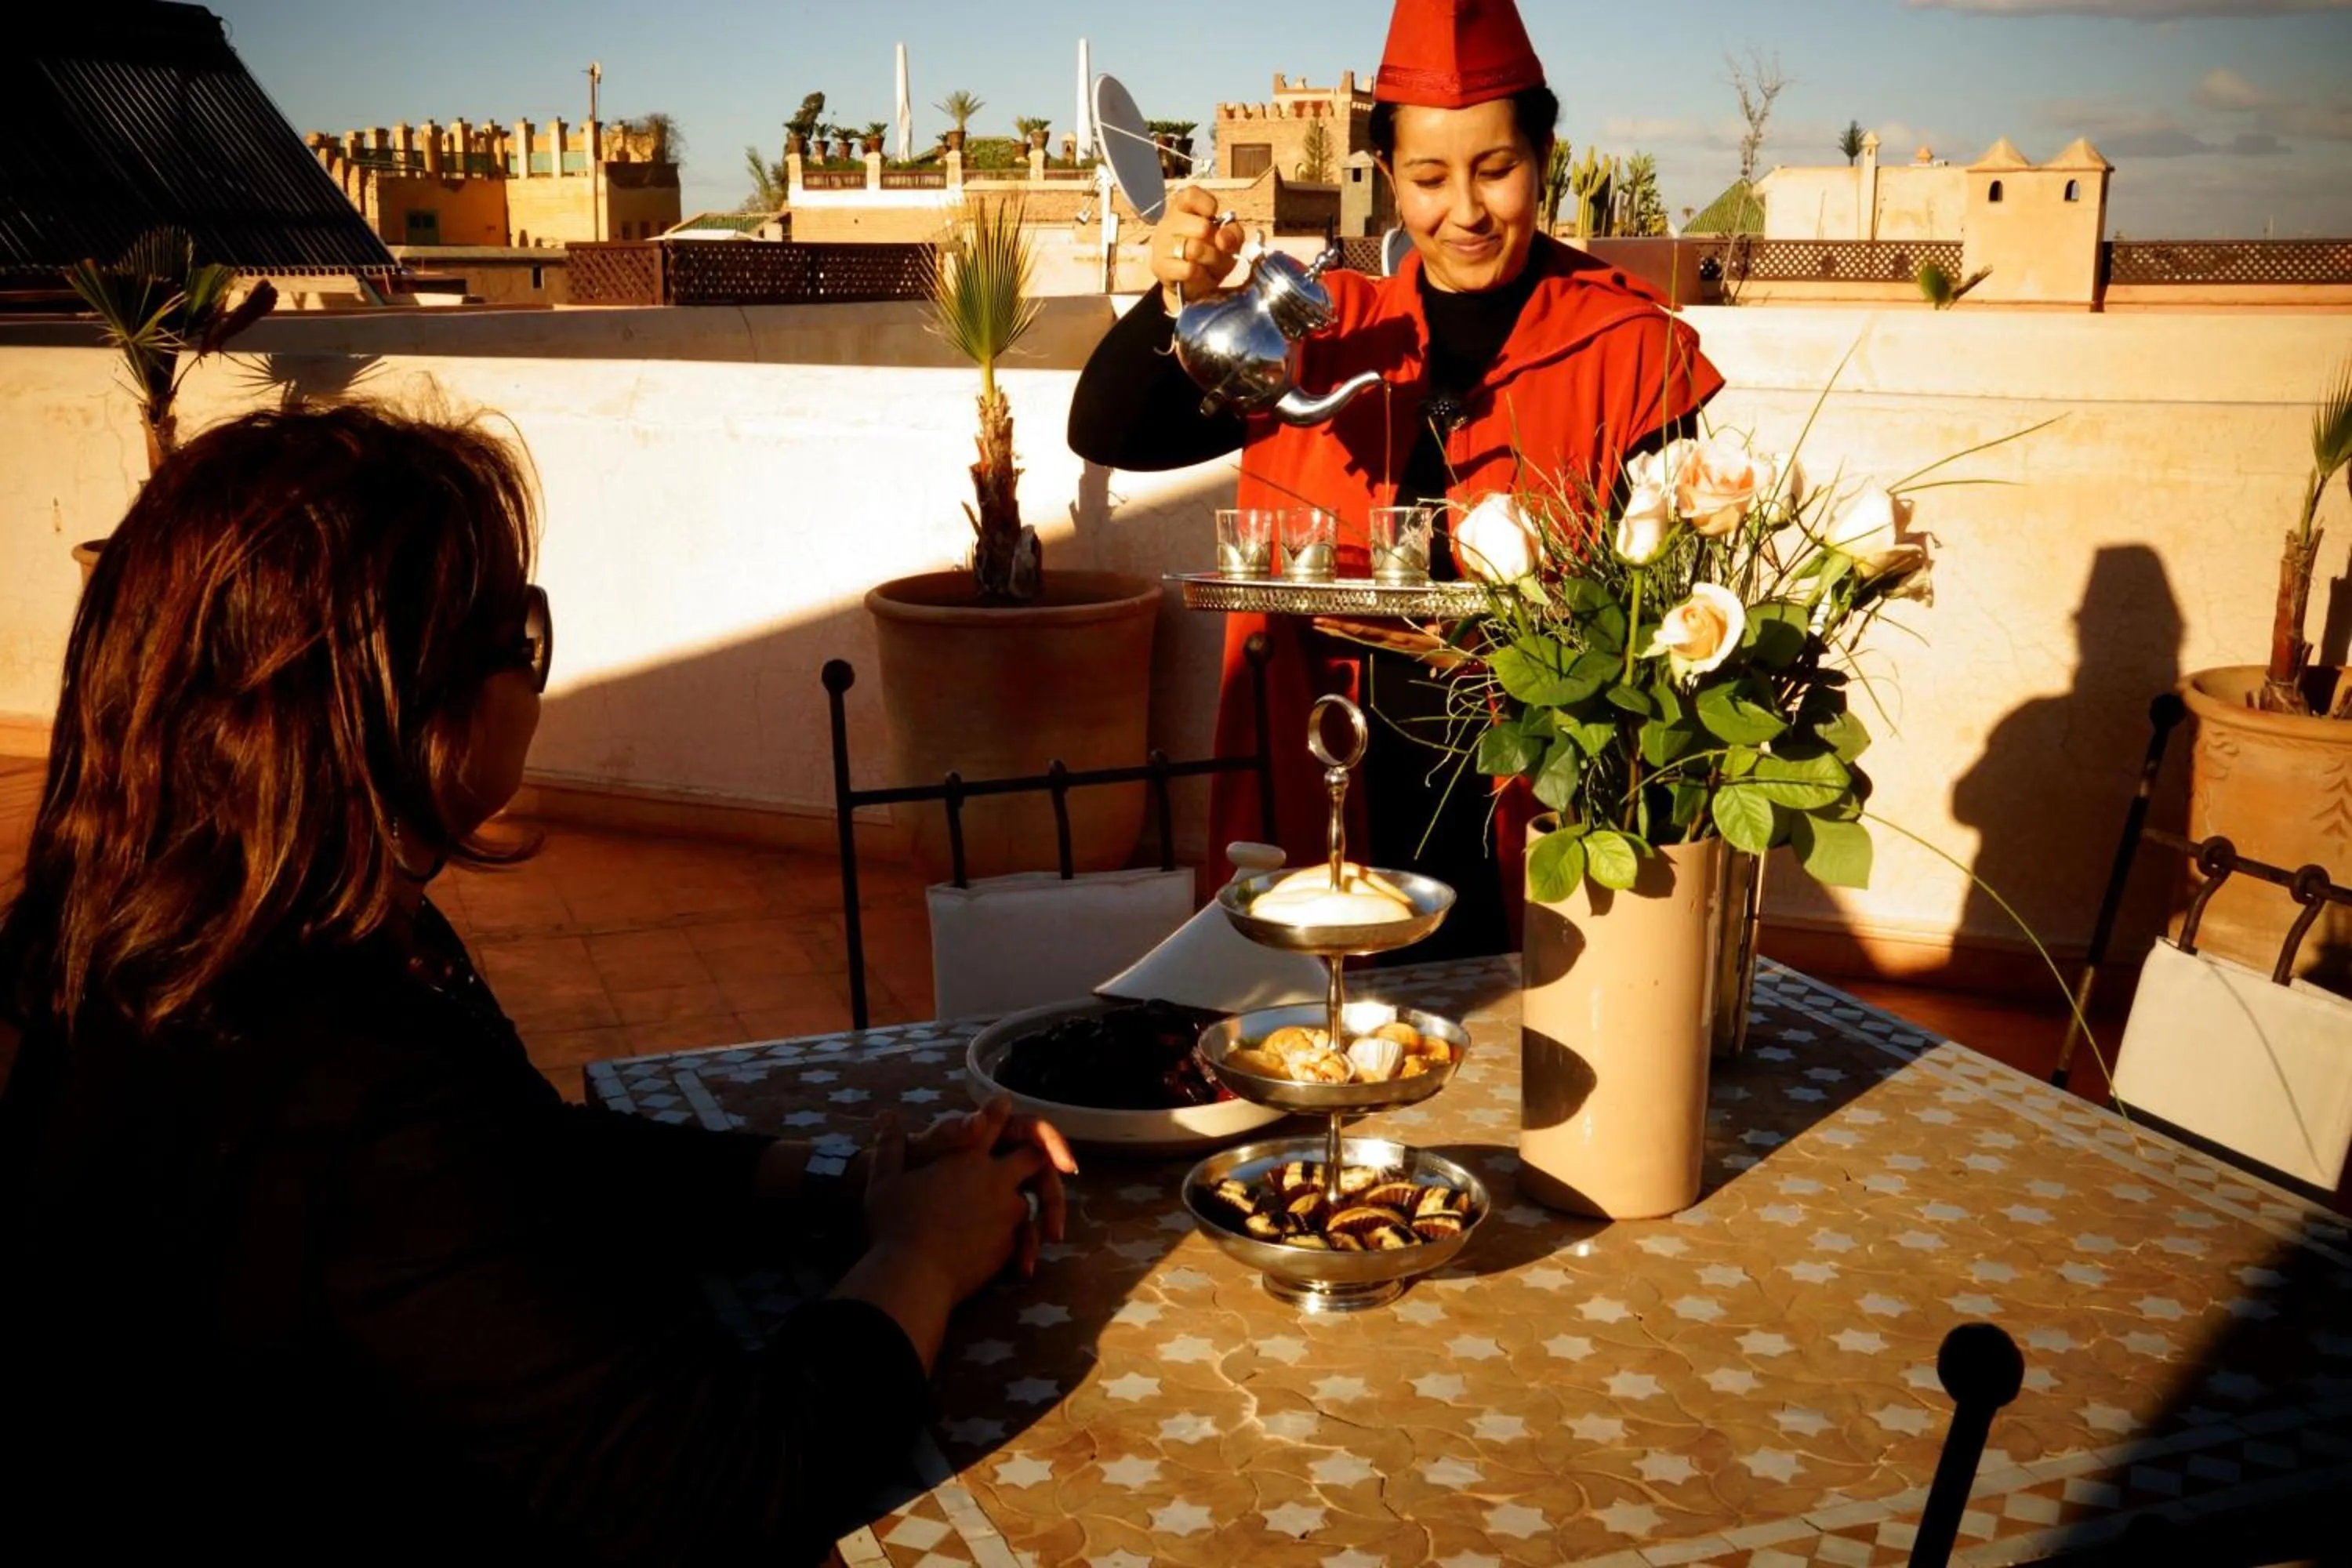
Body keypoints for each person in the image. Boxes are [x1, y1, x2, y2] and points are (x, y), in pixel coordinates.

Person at [0, 405, 1076, 1564]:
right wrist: (919, 1259)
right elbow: (723, 1481)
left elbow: (523, 1155)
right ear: (396, 700)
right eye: (516, 632)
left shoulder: (164, 942)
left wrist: (846, 1182)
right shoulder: (339, 1072)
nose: (532, 670)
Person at [1070, 0, 1724, 956]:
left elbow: (1669, 627)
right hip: (1331, 806)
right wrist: (1178, 297)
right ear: (1387, 177)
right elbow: (1111, 430)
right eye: (1428, 177)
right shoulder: (1326, 330)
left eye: (1495, 169)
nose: (1465, 210)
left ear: (1544, 157)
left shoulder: (1629, 351)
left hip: (1536, 815)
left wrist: (1472, 639)